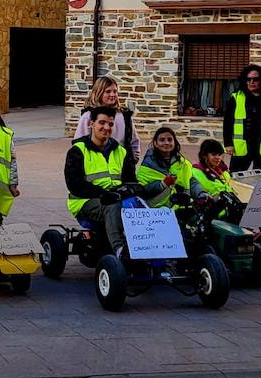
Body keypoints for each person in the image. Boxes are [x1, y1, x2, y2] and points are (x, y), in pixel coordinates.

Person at [64, 106, 135, 258]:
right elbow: (74, 185)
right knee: (112, 207)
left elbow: (131, 181)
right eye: (102, 123)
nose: (106, 127)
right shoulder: (78, 150)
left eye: (110, 124)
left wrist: (128, 191)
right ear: (91, 124)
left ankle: (146, 247)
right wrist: (104, 194)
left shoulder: (121, 151)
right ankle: (120, 250)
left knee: (139, 205)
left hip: (115, 198)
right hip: (84, 201)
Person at [223, 64, 261, 173]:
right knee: (235, 178)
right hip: (242, 146)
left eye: (255, 79)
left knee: (259, 180)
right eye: (248, 79)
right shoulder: (236, 98)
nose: (251, 82)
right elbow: (228, 123)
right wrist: (228, 144)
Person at [74, 75, 141, 172]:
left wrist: (133, 158)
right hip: (96, 166)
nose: (113, 94)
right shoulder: (89, 116)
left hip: (122, 166)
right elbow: (79, 142)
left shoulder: (124, 116)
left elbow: (133, 140)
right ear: (99, 93)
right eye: (108, 91)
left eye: (115, 91)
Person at [135, 126, 193, 209]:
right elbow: (141, 191)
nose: (166, 143)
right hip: (156, 212)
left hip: (181, 210)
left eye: (170, 139)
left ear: (175, 142)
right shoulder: (148, 164)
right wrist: (163, 184)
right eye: (162, 140)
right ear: (155, 143)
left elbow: (191, 183)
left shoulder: (184, 163)